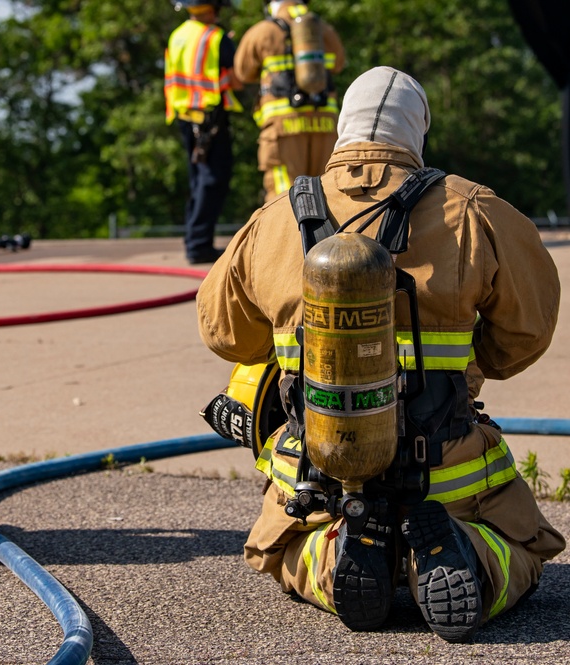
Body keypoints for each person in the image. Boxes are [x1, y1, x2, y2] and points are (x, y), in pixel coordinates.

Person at [195, 66, 565, 642]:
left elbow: (226, 336)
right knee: (524, 545)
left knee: (281, 548)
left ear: (342, 131)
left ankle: (331, 556)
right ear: (417, 135)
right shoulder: (473, 211)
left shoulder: (272, 220)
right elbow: (526, 334)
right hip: (448, 475)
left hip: (317, 478)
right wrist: (474, 362)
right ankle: (462, 554)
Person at [234, 0, 345, 203]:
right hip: (326, 126)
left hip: (283, 129)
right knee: (328, 196)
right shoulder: (324, 30)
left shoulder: (263, 31)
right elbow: (339, 63)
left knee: (283, 200)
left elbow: (242, 71)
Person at [165, 1, 244, 264]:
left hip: (185, 116)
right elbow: (236, 80)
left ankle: (194, 240)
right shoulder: (215, 38)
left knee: (198, 181)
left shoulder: (178, 35)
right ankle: (199, 245)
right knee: (213, 180)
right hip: (210, 119)